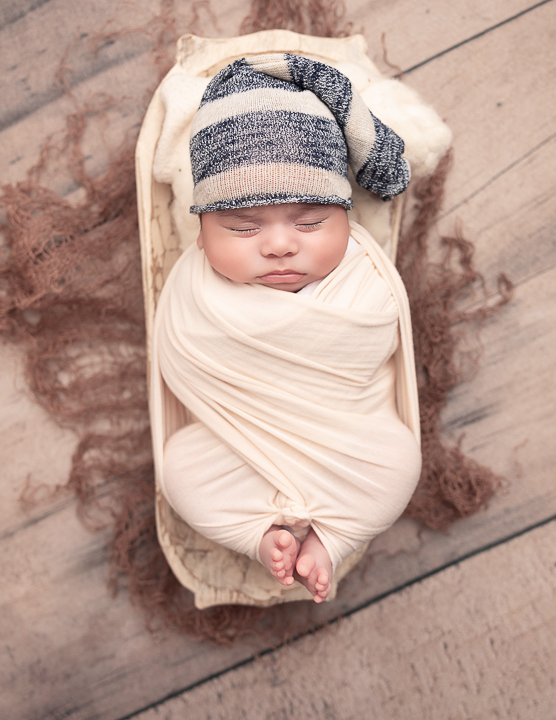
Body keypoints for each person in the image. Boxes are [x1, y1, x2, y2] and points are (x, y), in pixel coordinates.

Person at [153, 53, 421, 603]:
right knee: (180, 470)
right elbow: (183, 355)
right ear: (201, 234)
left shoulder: (365, 278)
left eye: (310, 222)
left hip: (346, 439)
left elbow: (376, 345)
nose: (278, 244)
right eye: (243, 226)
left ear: (347, 216)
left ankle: (331, 537)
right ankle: (262, 536)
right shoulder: (194, 289)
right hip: (236, 445)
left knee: (399, 461)